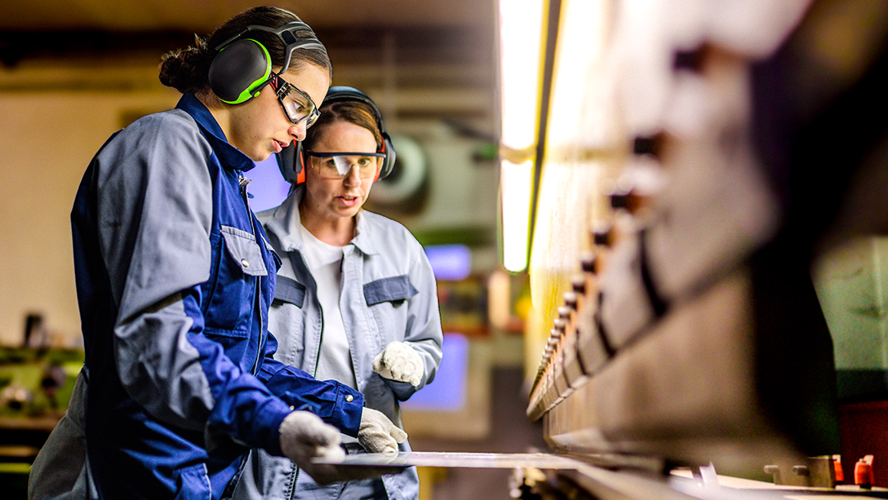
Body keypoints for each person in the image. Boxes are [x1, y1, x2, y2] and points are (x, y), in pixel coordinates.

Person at [28, 6, 406, 500]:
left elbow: (245, 361)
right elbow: (159, 343)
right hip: (132, 473)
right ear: (243, 70)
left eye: (311, 117)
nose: (300, 132)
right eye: (297, 106)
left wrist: (347, 411)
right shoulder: (166, 147)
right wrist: (278, 425)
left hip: (184, 475)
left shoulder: (231, 189)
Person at [232, 87, 444, 499]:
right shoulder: (253, 241)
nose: (354, 180)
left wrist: (415, 363)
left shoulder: (401, 249)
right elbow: (238, 361)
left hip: (376, 471)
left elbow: (428, 345)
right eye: (334, 162)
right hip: (279, 470)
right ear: (299, 161)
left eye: (366, 162)